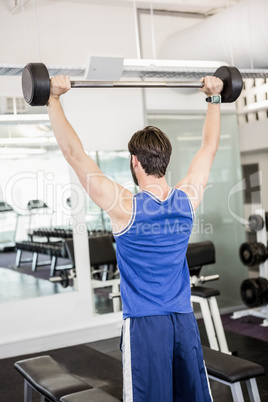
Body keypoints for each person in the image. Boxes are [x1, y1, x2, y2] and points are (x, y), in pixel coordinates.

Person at [47, 74, 223, 402]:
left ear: (134, 162)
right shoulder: (187, 199)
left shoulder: (124, 207)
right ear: (165, 161)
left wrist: (53, 98)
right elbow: (209, 149)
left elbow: (74, 153)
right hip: (184, 323)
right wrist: (214, 97)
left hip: (145, 327)